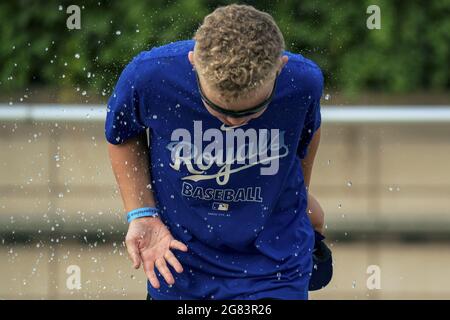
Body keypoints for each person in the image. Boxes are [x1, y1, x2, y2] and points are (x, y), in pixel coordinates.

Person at [105, 4, 332, 300]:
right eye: (219, 109)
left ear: (279, 67)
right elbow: (122, 134)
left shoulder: (302, 84)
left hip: (276, 265)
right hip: (178, 258)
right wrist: (142, 214)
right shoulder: (150, 77)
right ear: (194, 63)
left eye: (251, 111)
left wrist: (297, 193)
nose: (234, 122)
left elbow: (307, 134)